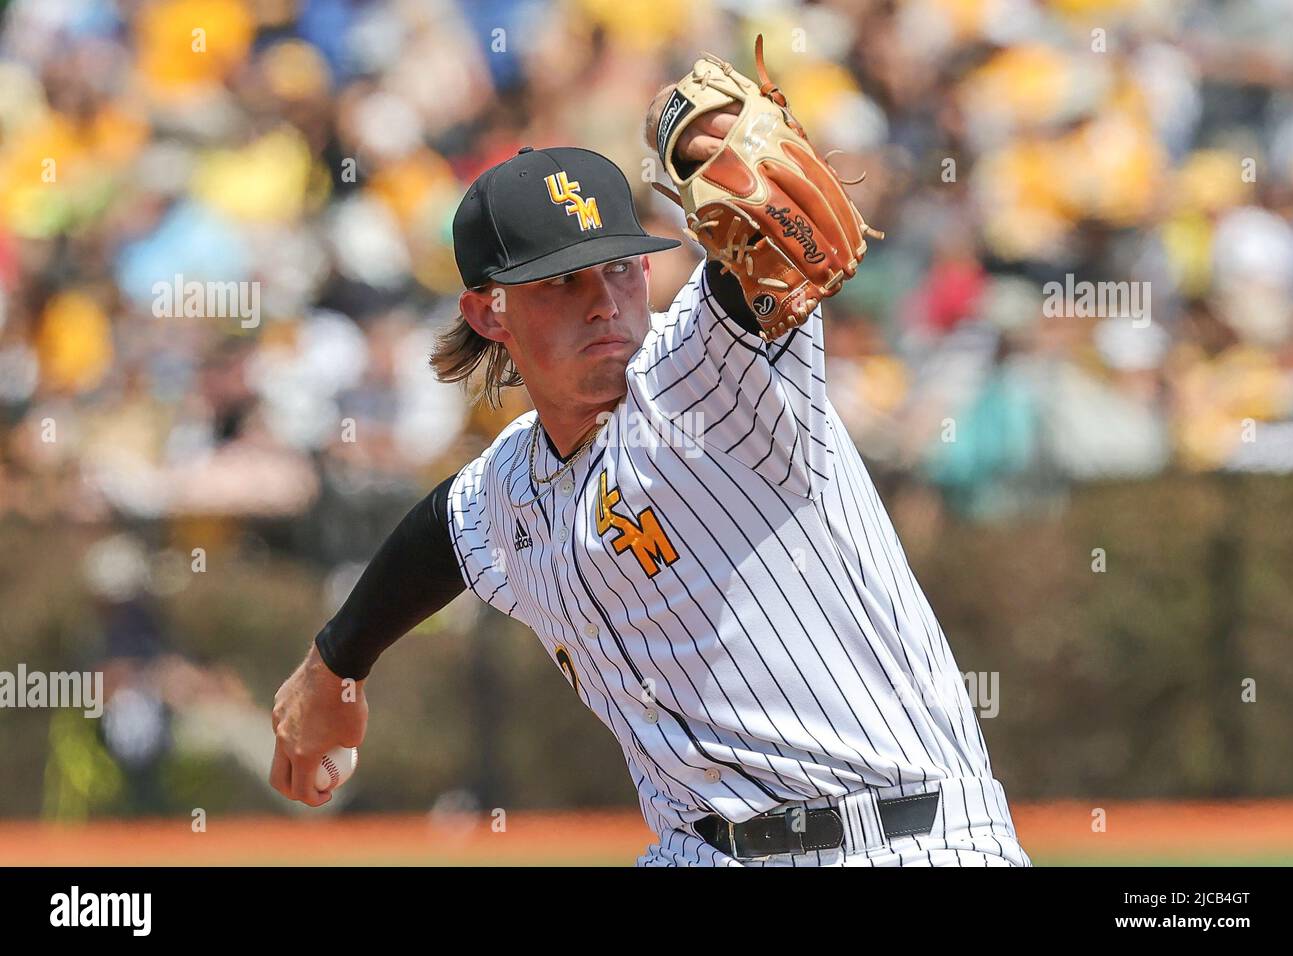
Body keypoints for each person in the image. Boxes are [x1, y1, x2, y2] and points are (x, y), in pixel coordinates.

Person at [270, 94, 1030, 867]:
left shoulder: (706, 368)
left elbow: (750, 268)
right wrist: (332, 666)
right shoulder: (513, 485)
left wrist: (700, 141)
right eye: (561, 283)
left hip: (898, 842)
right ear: (490, 311)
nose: (604, 304)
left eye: (619, 269)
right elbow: (441, 534)